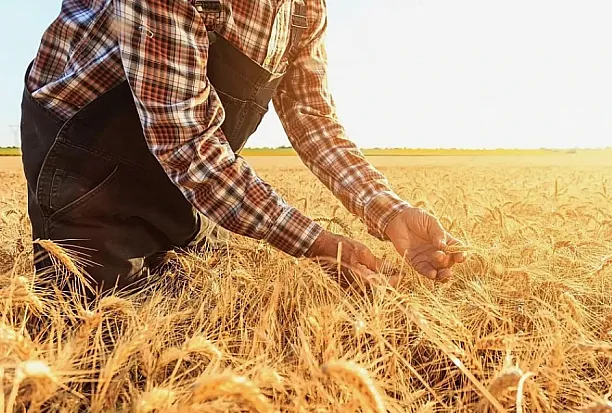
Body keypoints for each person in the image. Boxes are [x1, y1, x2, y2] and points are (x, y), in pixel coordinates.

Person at [21, 0, 465, 292]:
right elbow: (188, 143)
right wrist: (320, 244)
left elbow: (313, 119)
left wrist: (388, 211)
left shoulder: (304, 10)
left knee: (200, 298)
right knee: (97, 333)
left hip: (186, 177)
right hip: (85, 169)